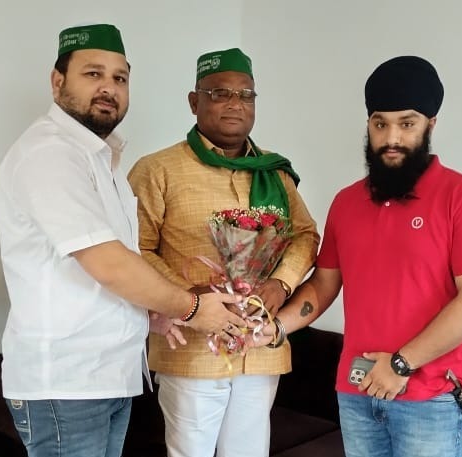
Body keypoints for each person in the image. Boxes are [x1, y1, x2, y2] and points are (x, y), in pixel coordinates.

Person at [0, 25, 245, 457]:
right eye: (93, 74)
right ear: (57, 82)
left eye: (120, 78)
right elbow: (108, 263)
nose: (108, 88)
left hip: (107, 377)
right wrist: (190, 307)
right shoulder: (50, 153)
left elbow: (103, 272)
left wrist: (148, 314)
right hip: (67, 385)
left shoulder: (100, 158)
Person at [255, 56, 462, 457]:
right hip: (356, 393)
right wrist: (277, 328)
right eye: (380, 124)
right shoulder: (346, 203)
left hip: (431, 401)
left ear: (431, 125)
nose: (392, 137)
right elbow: (323, 284)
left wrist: (401, 364)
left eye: (407, 124)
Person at [127, 47, 319, 457]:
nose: (235, 103)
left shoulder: (274, 173)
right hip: (191, 348)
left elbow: (305, 235)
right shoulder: (157, 170)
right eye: (220, 93)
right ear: (194, 101)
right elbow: (134, 249)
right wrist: (189, 295)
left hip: (260, 345)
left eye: (246, 95)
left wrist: (281, 284)